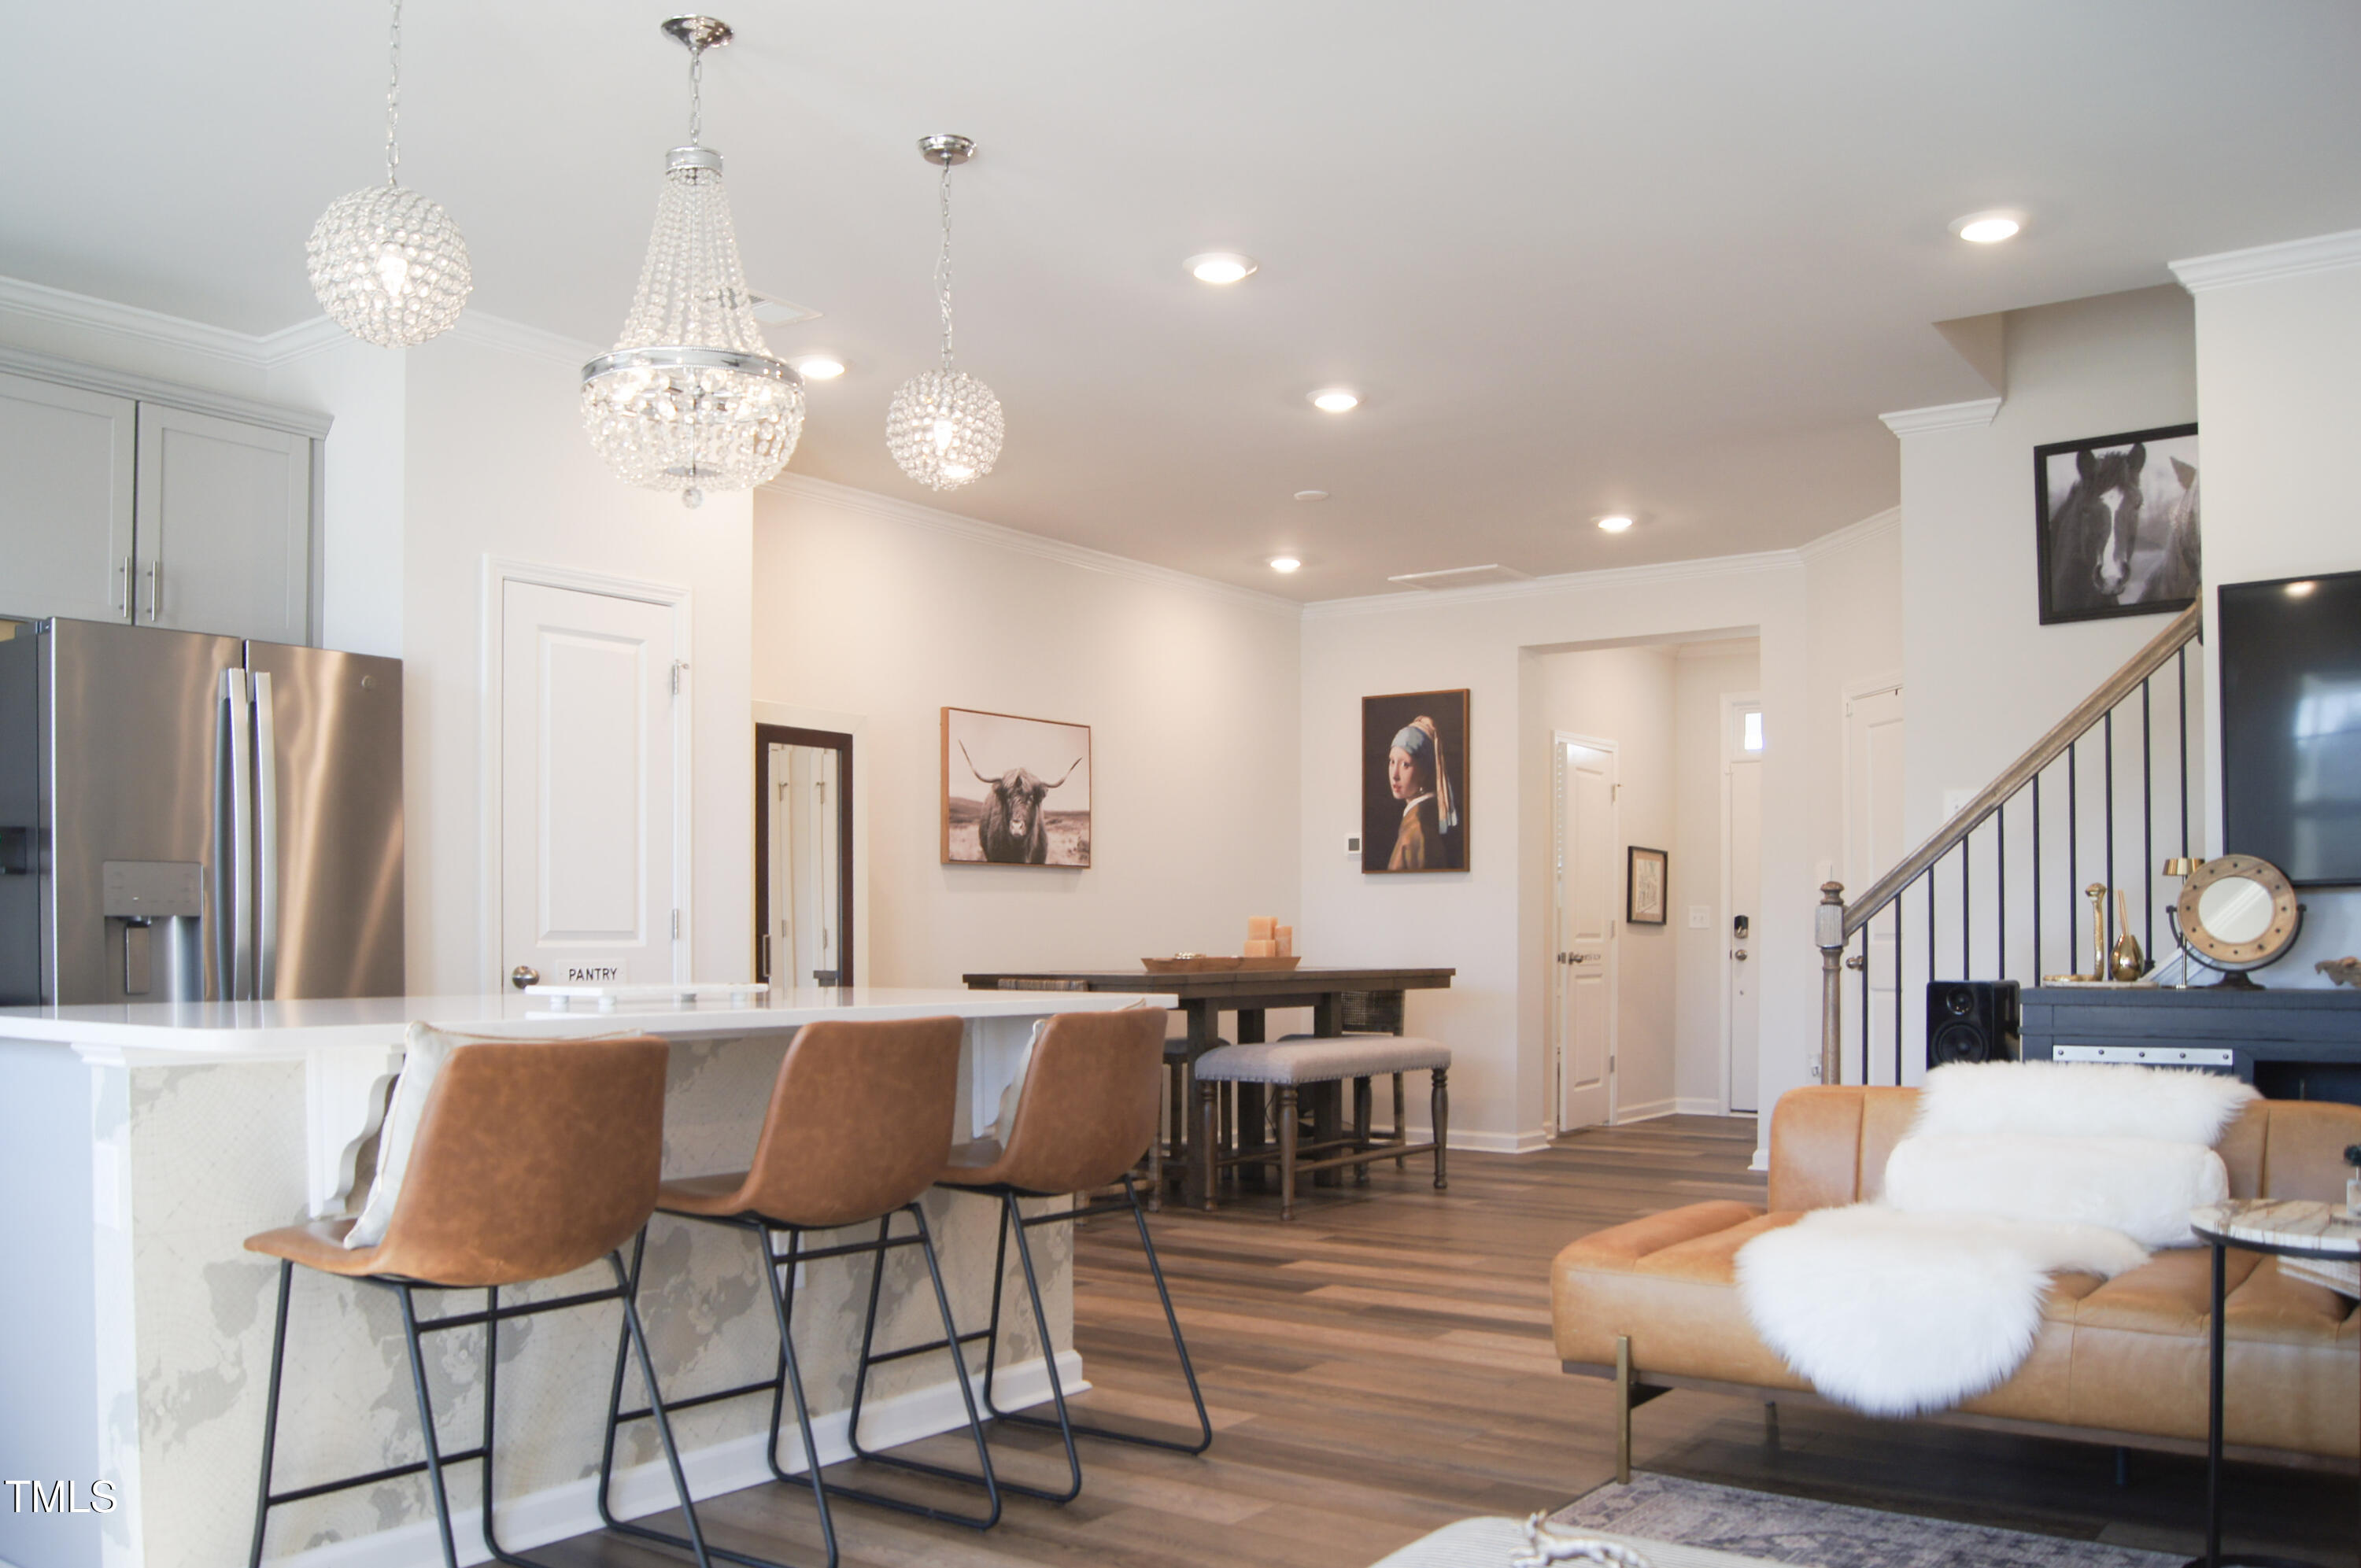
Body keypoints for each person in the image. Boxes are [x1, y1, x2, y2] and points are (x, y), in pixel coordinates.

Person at [1386, 716, 1461, 870]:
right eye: (1392, 761)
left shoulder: (1418, 828)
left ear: (1424, 771)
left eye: (1405, 764)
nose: (1395, 774)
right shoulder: (1419, 818)